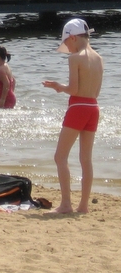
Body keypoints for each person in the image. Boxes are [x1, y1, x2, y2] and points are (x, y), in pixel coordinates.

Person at [43, 18, 103, 214]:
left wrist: (59, 87)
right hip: (93, 108)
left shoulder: (75, 58)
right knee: (86, 159)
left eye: (66, 42)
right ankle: (83, 206)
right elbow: (96, 92)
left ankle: (66, 204)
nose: (67, 47)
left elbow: (74, 89)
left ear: (73, 38)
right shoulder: (98, 58)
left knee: (60, 156)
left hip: (78, 107)